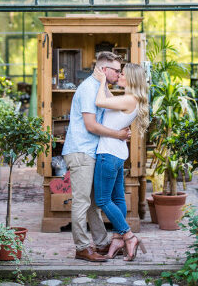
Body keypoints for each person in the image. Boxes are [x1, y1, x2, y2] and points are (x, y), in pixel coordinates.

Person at [61, 51, 130, 262]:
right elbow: (91, 126)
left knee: (93, 203)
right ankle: (82, 247)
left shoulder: (100, 88)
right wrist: (118, 134)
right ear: (103, 69)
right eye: (116, 71)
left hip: (90, 152)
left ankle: (101, 243)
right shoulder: (88, 89)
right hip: (81, 151)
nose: (119, 75)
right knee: (82, 202)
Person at [92, 62, 149, 261]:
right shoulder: (129, 99)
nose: (119, 76)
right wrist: (105, 83)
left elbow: (100, 101)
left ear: (131, 78)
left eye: (123, 74)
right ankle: (117, 239)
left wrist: (100, 82)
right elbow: (108, 99)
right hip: (116, 154)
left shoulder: (129, 99)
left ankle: (128, 235)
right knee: (117, 199)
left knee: (102, 200)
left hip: (108, 154)